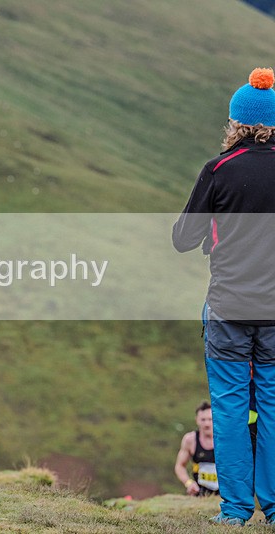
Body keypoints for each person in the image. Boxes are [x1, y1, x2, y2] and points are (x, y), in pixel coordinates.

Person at [172, 67, 275, 526]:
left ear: (236, 122)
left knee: (231, 408)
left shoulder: (219, 169)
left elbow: (183, 239)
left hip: (229, 309)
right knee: (272, 406)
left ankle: (234, 512)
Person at [174, 401, 218, 497]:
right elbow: (180, 466)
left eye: (210, 419)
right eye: (203, 419)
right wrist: (189, 483)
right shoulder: (190, 440)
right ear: (196, 420)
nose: (207, 424)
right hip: (199, 494)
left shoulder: (225, 439)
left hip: (223, 496)